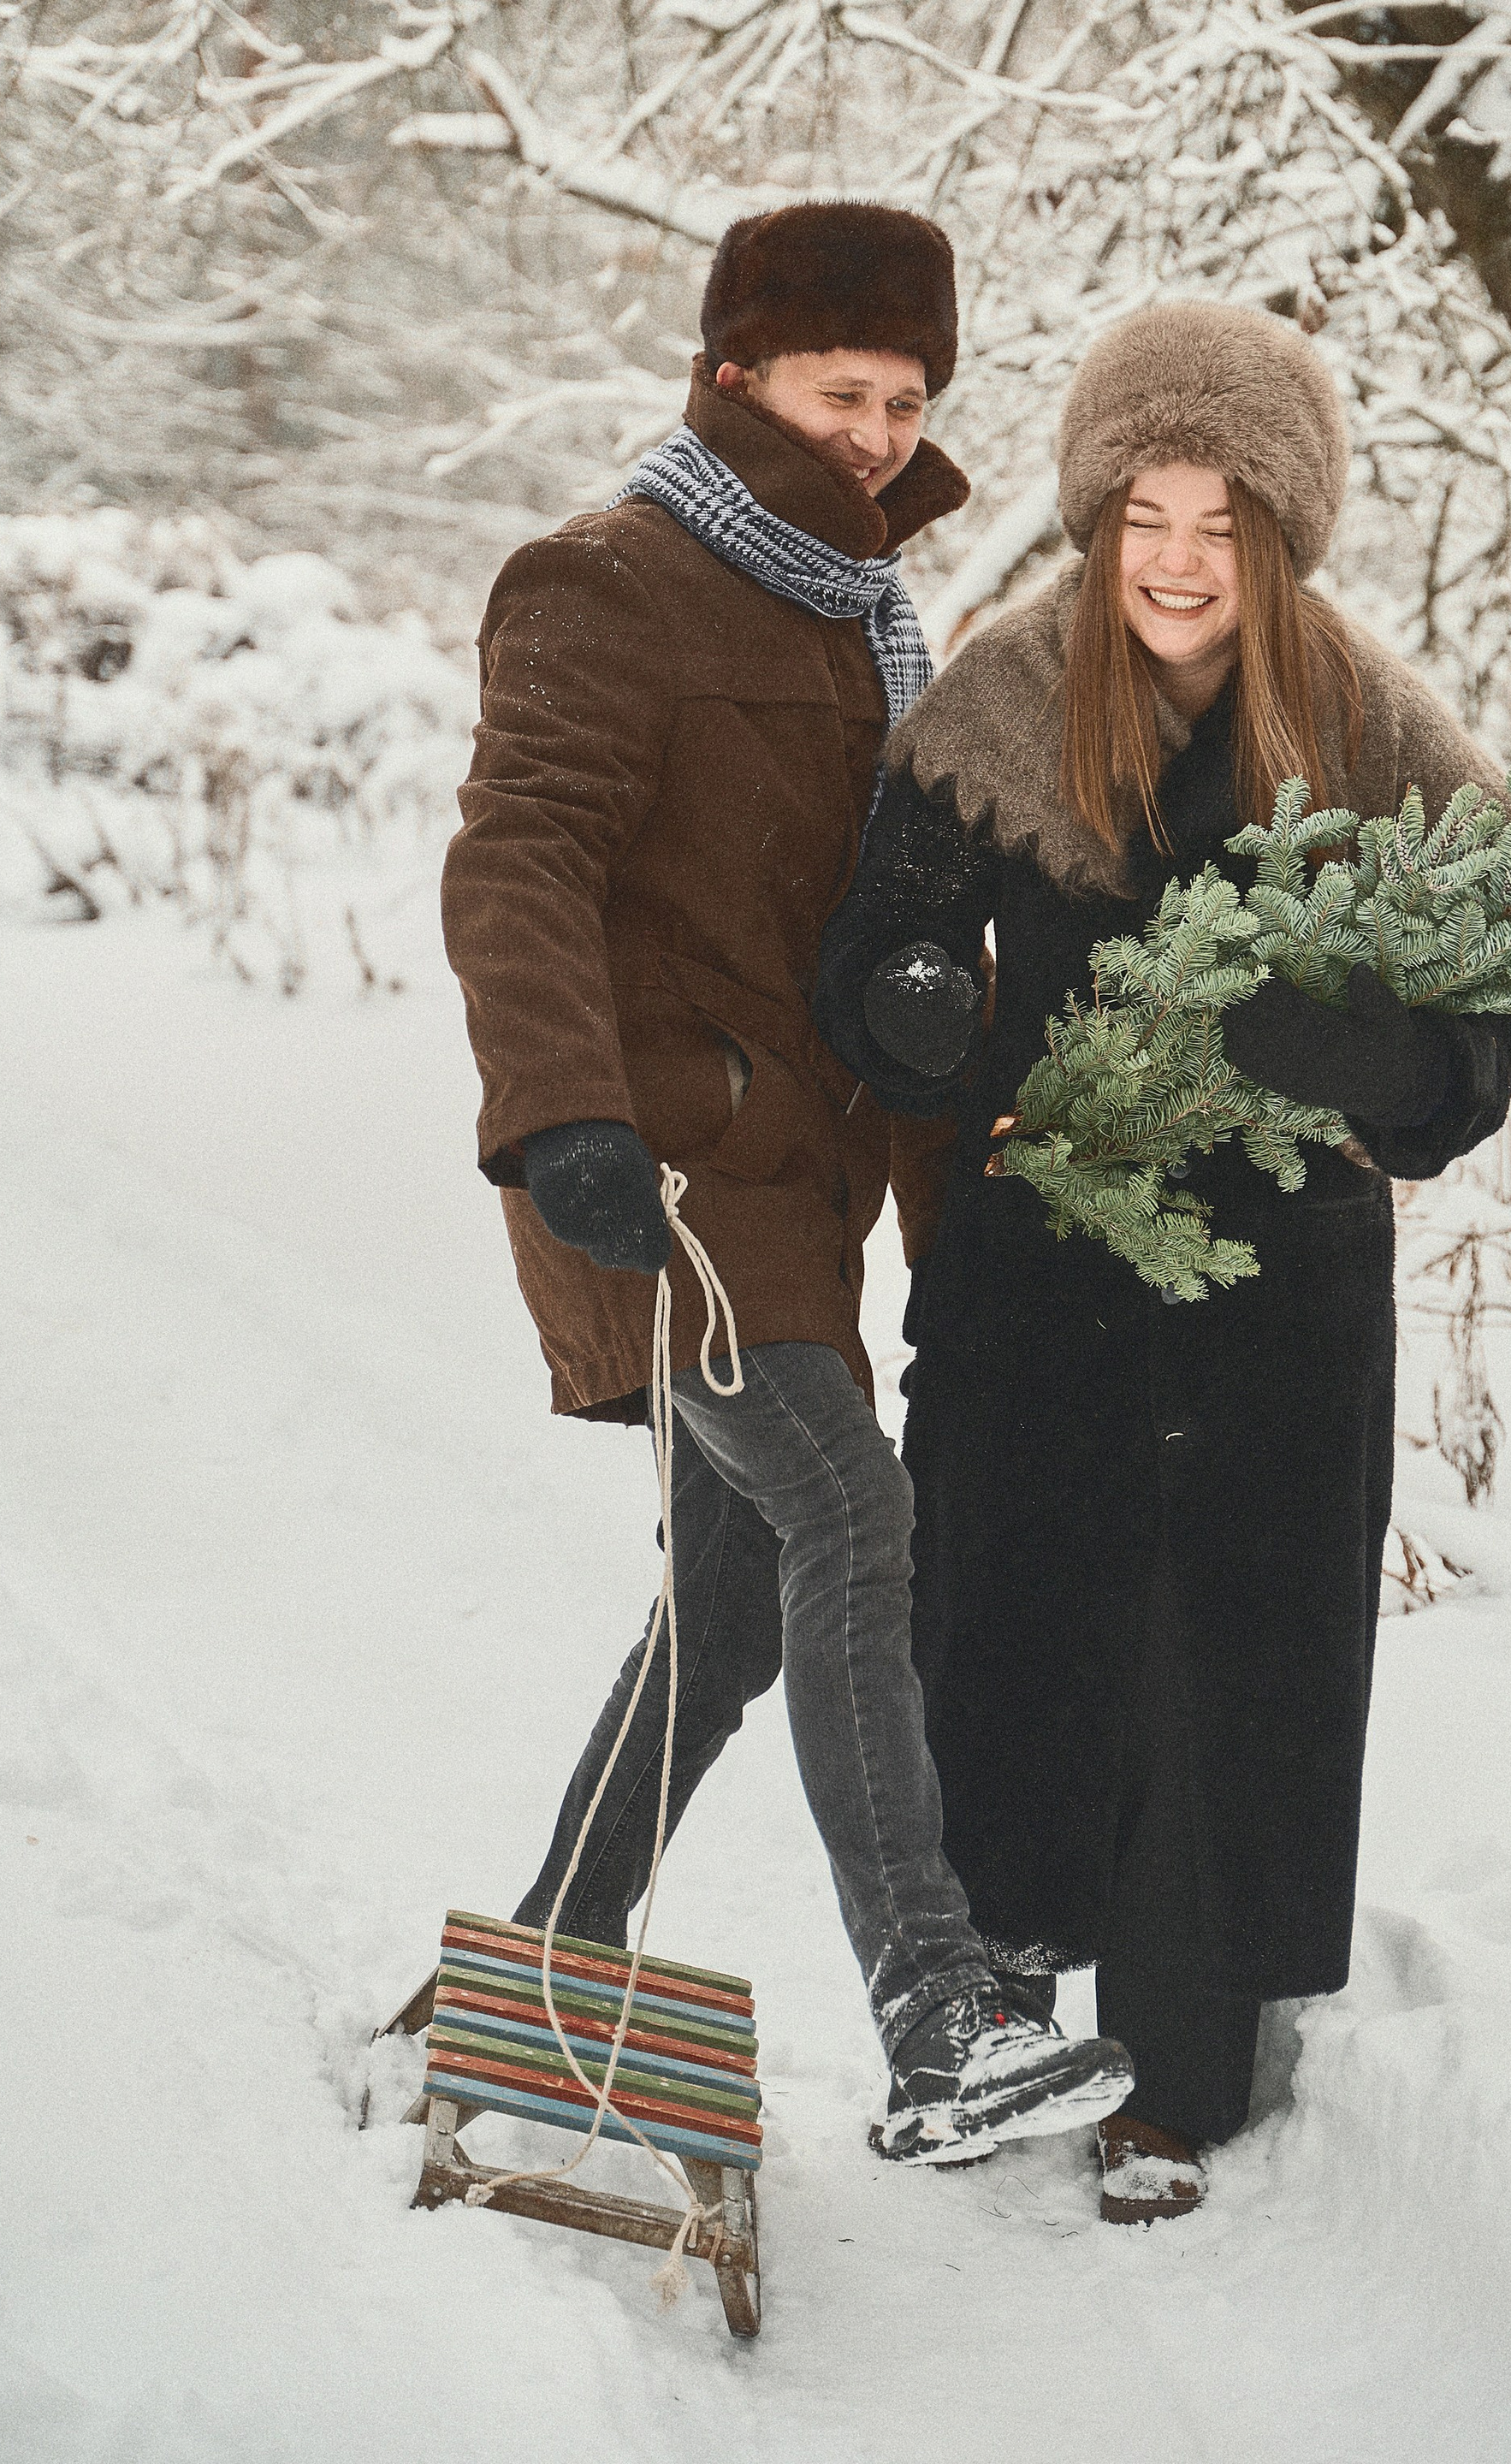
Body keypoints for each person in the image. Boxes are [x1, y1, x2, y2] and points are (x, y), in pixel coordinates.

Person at [439, 200, 1132, 2165]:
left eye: (906, 400)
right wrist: (558, 1114)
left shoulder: (860, 615)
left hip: (793, 1197)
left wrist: (961, 1156)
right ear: (734, 374)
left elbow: (877, 938)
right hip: (654, 1171)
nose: (879, 435)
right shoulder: (606, 582)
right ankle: (934, 2014)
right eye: (843, 394)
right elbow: (517, 855)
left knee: (737, 1611)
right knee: (850, 1514)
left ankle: (558, 1948)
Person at [815, 297, 1511, 2222]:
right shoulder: (1000, 697)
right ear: (1097, 516)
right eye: (1147, 515)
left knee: (1227, 1667)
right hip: (1037, 1267)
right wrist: (917, 1007)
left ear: (1278, 537)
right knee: (1009, 1633)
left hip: (1280, 1298)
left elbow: (1468, 1068)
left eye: (1221, 522)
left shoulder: (1379, 736)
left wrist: (1334, 1044)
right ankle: (999, 2022)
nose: (1179, 560)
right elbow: (879, 949)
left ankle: (1178, 2086)